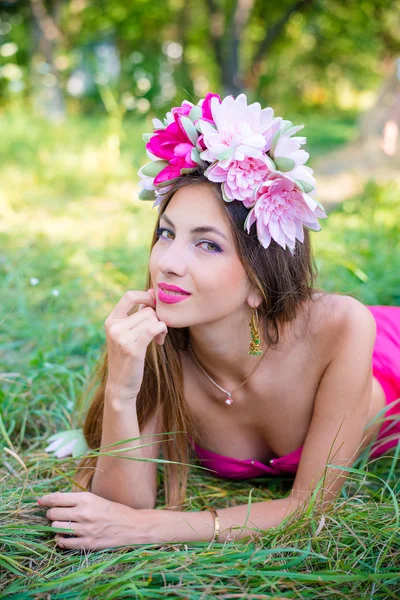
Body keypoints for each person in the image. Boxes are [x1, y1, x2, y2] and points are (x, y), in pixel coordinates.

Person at [39, 92, 400, 551]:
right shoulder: (158, 340)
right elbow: (122, 506)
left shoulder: (341, 327)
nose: (168, 262)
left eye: (207, 244)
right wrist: (121, 392)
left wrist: (152, 529)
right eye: (167, 234)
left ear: (258, 282)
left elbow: (308, 510)